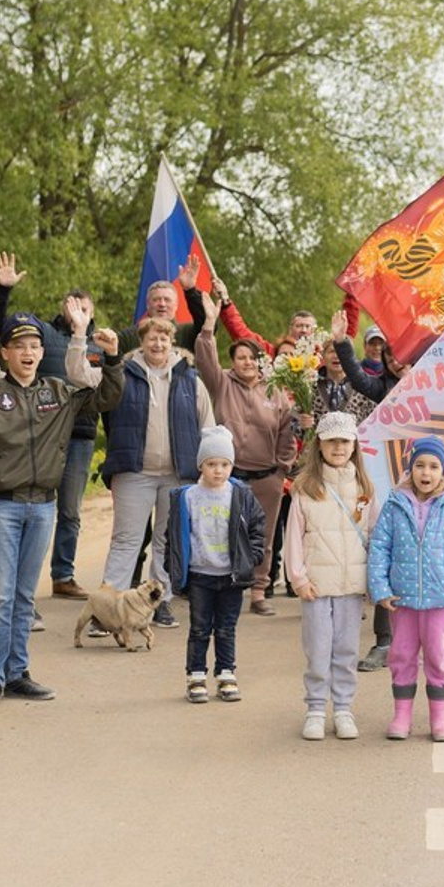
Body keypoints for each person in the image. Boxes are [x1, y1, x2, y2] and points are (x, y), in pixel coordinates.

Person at [0, 309, 123, 711]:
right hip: (2, 508)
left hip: (43, 506)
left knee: (24, 597)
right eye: (20, 346)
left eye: (35, 346)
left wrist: (114, 359)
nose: (29, 352)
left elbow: (106, 396)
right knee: (0, 598)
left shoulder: (58, 391)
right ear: (5, 352)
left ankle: (17, 674)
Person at [0, 252, 113, 603]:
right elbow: (0, 325)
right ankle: (25, 581)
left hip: (79, 436)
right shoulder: (42, 334)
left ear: (91, 313)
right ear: (64, 307)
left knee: (69, 510)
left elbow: (105, 392)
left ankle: (63, 575)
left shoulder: (96, 347)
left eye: (85, 310)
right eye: (74, 307)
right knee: (35, 507)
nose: (78, 314)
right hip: (38, 434)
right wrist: (3, 290)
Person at [91, 314, 215, 629]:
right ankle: (106, 610)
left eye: (163, 338)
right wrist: (83, 338)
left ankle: (160, 603)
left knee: (166, 540)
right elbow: (86, 379)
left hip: (178, 475)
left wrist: (209, 467)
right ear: (142, 342)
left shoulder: (190, 379)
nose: (157, 344)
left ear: (171, 342)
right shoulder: (124, 374)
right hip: (134, 473)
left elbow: (208, 427)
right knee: (126, 540)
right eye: (151, 338)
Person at [368, 437, 444, 742]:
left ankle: (439, 719)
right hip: (402, 600)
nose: (426, 473)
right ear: (411, 468)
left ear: (443, 471)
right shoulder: (394, 504)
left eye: (433, 466)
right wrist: (381, 588)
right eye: (420, 465)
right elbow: (380, 547)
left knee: (437, 658)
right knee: (401, 656)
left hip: (437, 601)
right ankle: (401, 716)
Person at [195, 294, 297, 616]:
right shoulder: (221, 383)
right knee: (225, 533)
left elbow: (287, 430)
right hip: (230, 477)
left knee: (262, 537)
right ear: (233, 362)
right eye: (240, 358)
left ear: (260, 361)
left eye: (252, 358)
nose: (247, 363)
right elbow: (205, 359)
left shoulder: (275, 390)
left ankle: (257, 591)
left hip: (267, 477)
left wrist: (282, 468)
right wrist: (210, 325)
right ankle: (225, 590)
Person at [284, 412, 379, 740]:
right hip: (316, 586)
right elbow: (293, 536)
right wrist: (298, 578)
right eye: (332, 441)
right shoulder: (306, 489)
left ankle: (342, 708)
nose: (338, 447)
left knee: (346, 648)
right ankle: (314, 708)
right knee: (318, 647)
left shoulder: (365, 488)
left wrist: (374, 581)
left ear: (354, 445)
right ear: (319, 445)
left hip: (351, 586)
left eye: (344, 441)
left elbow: (376, 536)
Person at [165, 425, 267, 704]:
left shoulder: (240, 495)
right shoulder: (186, 497)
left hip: (230, 575)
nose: (218, 470)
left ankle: (226, 673)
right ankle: (196, 676)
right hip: (200, 574)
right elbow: (171, 536)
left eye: (224, 464)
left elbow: (258, 527)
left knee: (226, 627)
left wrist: (251, 557)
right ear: (201, 465)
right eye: (211, 464)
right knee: (199, 628)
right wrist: (173, 569)